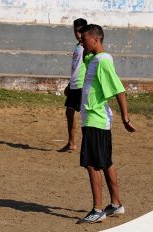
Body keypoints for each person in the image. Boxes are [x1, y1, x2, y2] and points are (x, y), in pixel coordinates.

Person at [76, 24, 136, 224]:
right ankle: (116, 204)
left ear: (96, 39)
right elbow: (85, 56)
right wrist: (84, 44)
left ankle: (97, 209)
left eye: (84, 39)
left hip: (96, 120)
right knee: (106, 162)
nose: (81, 42)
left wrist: (125, 117)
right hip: (93, 119)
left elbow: (119, 90)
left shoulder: (103, 61)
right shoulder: (93, 58)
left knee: (92, 165)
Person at [58, 18, 93, 152]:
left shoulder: (87, 47)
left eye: (80, 31)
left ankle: (88, 144)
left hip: (81, 85)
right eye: (75, 31)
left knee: (85, 116)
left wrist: (86, 82)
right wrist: (69, 84)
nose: (78, 34)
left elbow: (89, 65)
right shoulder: (77, 46)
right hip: (74, 85)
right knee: (69, 112)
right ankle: (71, 143)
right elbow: (76, 67)